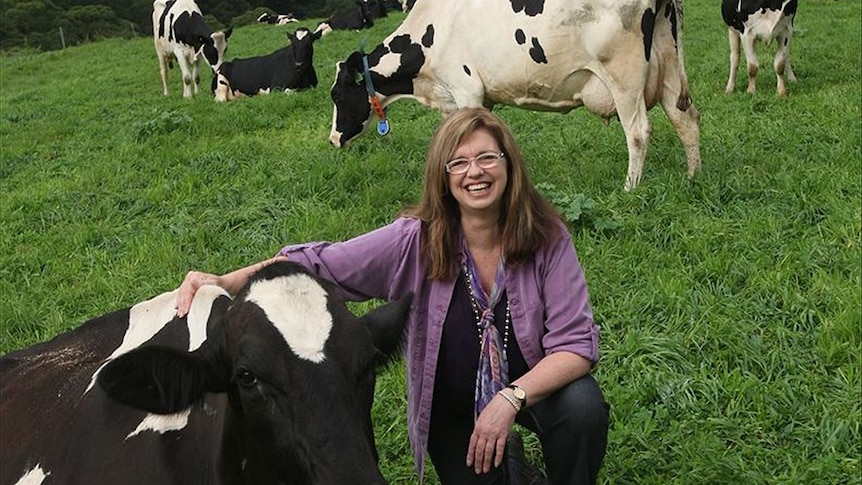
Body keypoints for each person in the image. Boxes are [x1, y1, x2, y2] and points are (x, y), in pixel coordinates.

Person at [175, 107, 610, 484]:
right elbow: (320, 264)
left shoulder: (546, 238)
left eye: (486, 158)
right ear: (443, 177)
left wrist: (508, 400)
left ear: (508, 165)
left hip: (529, 388)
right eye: (458, 163)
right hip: (452, 408)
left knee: (582, 407)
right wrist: (229, 280)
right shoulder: (414, 241)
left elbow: (575, 348)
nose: (474, 172)